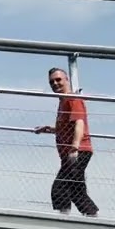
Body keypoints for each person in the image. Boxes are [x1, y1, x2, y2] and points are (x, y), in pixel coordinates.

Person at [33, 67, 97, 216]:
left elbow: (79, 123)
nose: (55, 83)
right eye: (52, 82)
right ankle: (92, 218)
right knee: (76, 190)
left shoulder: (72, 99)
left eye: (58, 80)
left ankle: (64, 221)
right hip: (73, 152)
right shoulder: (63, 102)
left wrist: (74, 148)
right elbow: (68, 126)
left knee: (60, 188)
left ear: (66, 79)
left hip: (78, 151)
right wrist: (49, 129)